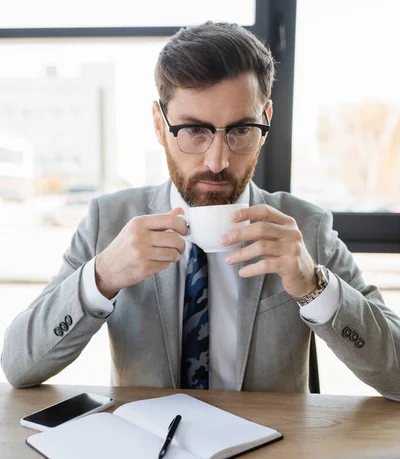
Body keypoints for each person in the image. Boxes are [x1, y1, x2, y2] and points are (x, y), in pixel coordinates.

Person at [2, 22, 400, 400]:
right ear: (160, 125)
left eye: (241, 130)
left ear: (267, 121)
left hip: (272, 455)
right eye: (194, 130)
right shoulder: (109, 221)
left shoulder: (306, 228)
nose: (217, 161)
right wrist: (101, 277)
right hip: (146, 458)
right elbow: (19, 366)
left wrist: (314, 286)